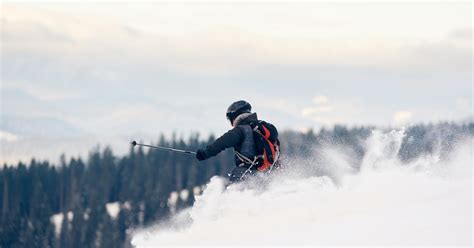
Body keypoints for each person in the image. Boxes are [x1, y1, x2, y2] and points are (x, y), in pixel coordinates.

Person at [196, 100, 280, 182]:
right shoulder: (262, 128)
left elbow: (221, 143)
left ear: (234, 116)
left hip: (246, 173)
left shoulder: (241, 130)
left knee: (231, 193)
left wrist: (205, 153)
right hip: (269, 174)